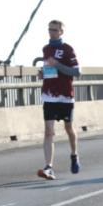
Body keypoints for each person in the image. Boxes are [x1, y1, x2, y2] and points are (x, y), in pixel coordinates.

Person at [33, 19, 82, 180]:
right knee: (48, 131)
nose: (51, 32)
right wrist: (43, 74)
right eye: (49, 29)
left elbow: (77, 72)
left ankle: (74, 155)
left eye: (54, 30)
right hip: (49, 95)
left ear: (61, 32)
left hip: (65, 96)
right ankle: (49, 167)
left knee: (69, 128)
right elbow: (50, 69)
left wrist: (58, 65)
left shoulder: (67, 49)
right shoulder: (46, 49)